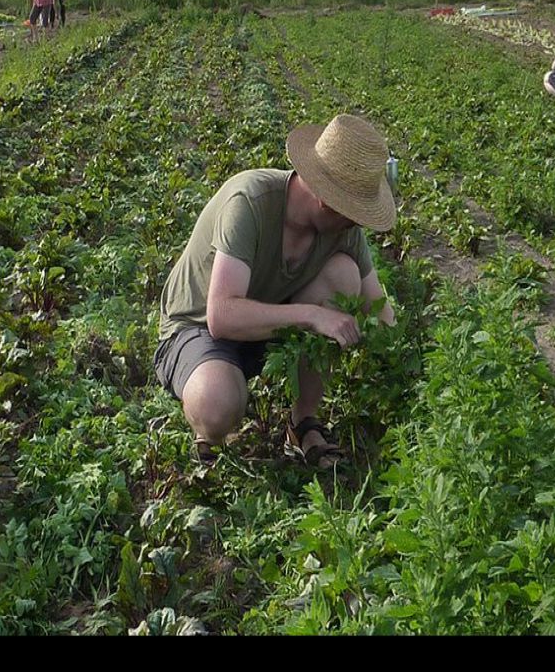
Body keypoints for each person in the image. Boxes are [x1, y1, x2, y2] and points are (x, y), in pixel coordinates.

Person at [155, 114, 398, 469]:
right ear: (328, 202)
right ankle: (211, 440)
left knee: (344, 274)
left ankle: (303, 424)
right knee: (217, 403)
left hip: (268, 325)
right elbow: (220, 317)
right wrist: (314, 316)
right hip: (197, 326)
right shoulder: (251, 202)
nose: (357, 223)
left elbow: (380, 310)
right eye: (353, 213)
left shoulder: (343, 231)